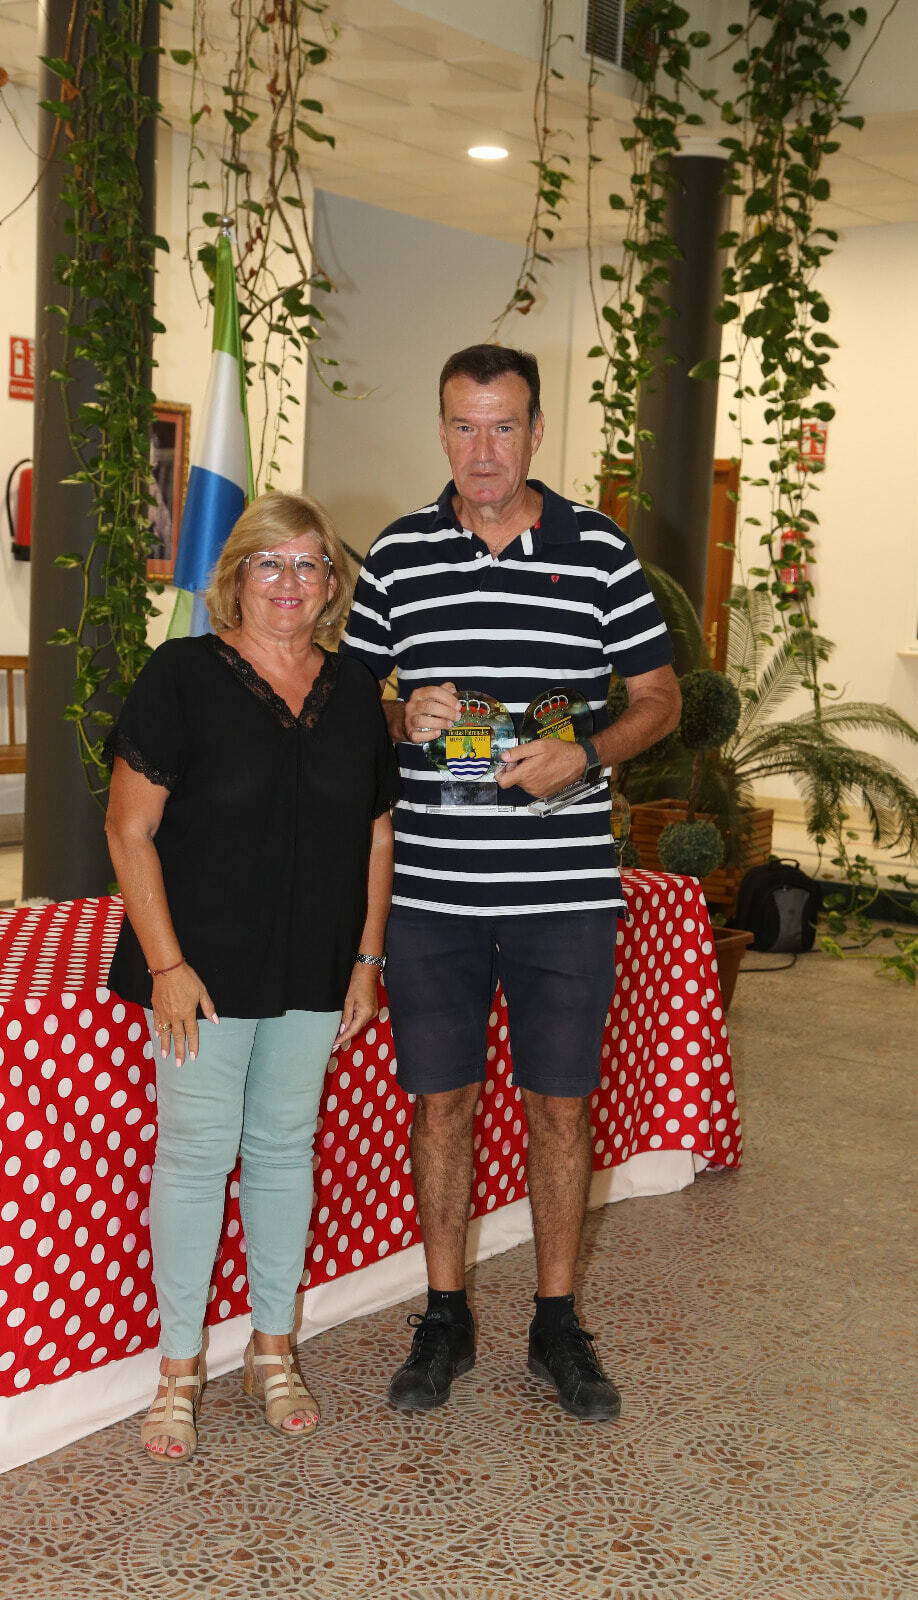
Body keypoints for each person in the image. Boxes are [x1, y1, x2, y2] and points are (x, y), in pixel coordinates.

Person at [339, 345, 681, 1421]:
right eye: (463, 425)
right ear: (440, 429)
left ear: (536, 431)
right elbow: (347, 704)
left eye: (503, 426)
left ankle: (556, 1320)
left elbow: (659, 696)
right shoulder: (398, 554)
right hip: (432, 891)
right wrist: (401, 714)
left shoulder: (598, 549)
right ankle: (444, 1316)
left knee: (559, 1105)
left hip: (563, 890)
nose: (482, 451)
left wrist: (586, 754)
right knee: (440, 1103)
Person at [105, 490, 398, 1461]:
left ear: (331, 586)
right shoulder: (181, 676)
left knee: (282, 1149)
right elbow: (129, 828)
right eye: (270, 561)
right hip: (203, 970)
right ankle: (178, 1368)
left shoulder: (355, 688)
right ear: (236, 575)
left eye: (309, 564)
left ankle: (273, 1348)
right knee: (196, 1156)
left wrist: (367, 958)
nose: (289, 580)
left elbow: (376, 831)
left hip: (316, 962)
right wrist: (166, 965)